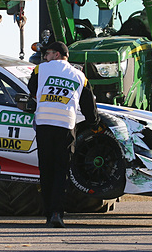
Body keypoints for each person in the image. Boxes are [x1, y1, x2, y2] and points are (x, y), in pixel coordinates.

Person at [27, 41, 100, 228]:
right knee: (61, 171)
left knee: (46, 169)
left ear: (57, 54)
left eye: (48, 53)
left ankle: (48, 212)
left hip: (44, 126)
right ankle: (58, 213)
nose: (45, 57)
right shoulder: (80, 76)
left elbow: (31, 89)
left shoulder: (40, 70)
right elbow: (88, 106)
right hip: (65, 127)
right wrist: (95, 126)